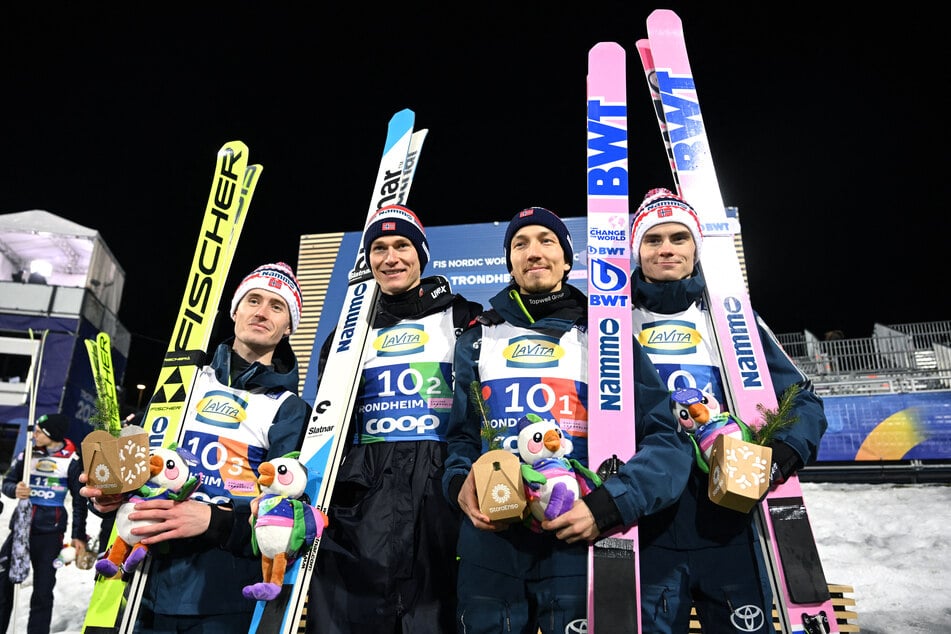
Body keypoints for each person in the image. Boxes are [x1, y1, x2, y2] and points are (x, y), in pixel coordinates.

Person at [441, 206, 693, 633]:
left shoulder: (605, 335)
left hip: (580, 537)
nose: (533, 252)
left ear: (567, 260)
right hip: (493, 543)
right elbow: (462, 438)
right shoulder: (478, 339)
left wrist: (608, 506)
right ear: (510, 262)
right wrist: (457, 483)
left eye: (547, 241)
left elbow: (665, 434)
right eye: (520, 244)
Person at [629, 188, 828, 633]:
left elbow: (803, 400)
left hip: (728, 522)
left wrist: (778, 459)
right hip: (645, 525)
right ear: (636, 251)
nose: (666, 249)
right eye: (652, 239)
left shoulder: (731, 317)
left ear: (695, 247)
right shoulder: (613, 323)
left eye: (678, 238)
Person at [80, 261, 312, 632]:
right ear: (235, 310)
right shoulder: (183, 381)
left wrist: (214, 520)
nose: (262, 311)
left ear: (288, 329)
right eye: (253, 300)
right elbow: (145, 468)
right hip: (142, 584)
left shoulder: (290, 409)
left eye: (277, 306)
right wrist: (111, 494)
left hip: (223, 594)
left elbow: (289, 513)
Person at [308, 204, 483, 634]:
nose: (391, 258)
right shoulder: (347, 335)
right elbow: (329, 424)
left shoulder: (462, 318)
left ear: (421, 254)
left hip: (438, 497)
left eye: (402, 245)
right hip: (362, 505)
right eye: (379, 248)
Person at [0, 412, 88, 634]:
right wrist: (15, 489)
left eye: (40, 432)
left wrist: (78, 535)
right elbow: (8, 483)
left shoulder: (72, 459)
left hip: (50, 533)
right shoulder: (28, 453)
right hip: (20, 528)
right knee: (2, 586)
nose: (35, 434)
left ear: (52, 435)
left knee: (42, 591)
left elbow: (80, 501)